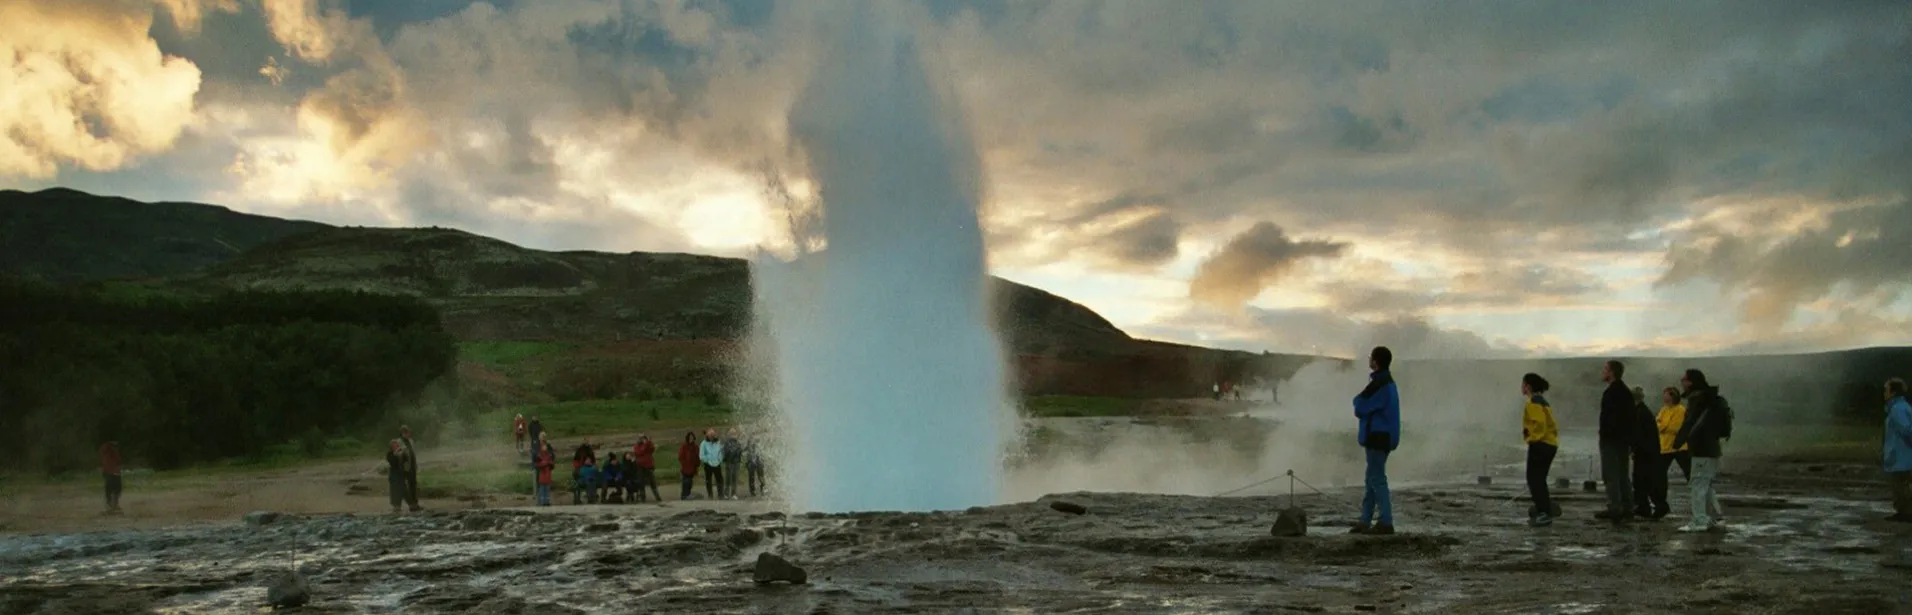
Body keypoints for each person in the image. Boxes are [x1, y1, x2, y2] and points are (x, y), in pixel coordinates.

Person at [1673, 368, 1733, 533]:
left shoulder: (1698, 400)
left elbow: (1691, 424)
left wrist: (1677, 442)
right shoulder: (1710, 399)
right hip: (1711, 449)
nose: (1681, 382)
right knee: (1705, 484)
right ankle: (1714, 517)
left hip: (1701, 449)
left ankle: (1699, 520)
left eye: (1684, 379)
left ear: (1691, 382)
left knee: (1698, 484)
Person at [1351, 346, 1400, 535]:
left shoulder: (1380, 383)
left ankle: (1385, 521)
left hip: (1377, 436)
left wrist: (1357, 402)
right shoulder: (1386, 382)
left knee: (1377, 479)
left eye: (1371, 357)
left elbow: (1360, 406)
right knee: (1371, 478)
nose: (1369, 360)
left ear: (1376, 361)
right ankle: (1365, 520)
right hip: (1383, 436)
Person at [1595, 361, 1634, 523]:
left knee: (1611, 474)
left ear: (1611, 372)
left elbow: (1610, 418)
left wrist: (1605, 435)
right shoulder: (1625, 391)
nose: (1602, 372)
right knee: (1622, 474)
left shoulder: (1612, 392)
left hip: (1612, 440)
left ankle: (1615, 507)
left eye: (1604, 369)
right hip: (1623, 440)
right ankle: (1627, 507)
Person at [1521, 373, 1560, 527]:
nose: (1521, 387)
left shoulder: (1533, 403)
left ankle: (1544, 513)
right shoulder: (1543, 401)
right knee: (1539, 479)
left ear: (1528, 386)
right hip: (1550, 443)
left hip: (1541, 444)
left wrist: (1533, 439)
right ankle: (1544, 508)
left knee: (1534, 479)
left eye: (1523, 384)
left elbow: (1540, 424)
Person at [1629, 386, 1663, 519]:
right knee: (1641, 480)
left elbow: (1638, 434)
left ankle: (1658, 506)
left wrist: (1633, 449)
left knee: (1644, 480)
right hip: (1648, 450)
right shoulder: (1642, 411)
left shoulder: (1640, 413)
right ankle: (1643, 506)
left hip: (1645, 452)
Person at [1883, 378, 1912, 522]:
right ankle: (1904, 512)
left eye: (1886, 390)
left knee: (1900, 486)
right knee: (1903, 485)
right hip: (1902, 456)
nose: (1884, 393)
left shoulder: (1897, 409)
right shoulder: (1902, 406)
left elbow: (1907, 430)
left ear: (1893, 392)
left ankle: (1905, 514)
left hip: (1901, 457)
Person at [398, 426, 422, 513]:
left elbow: (413, 454)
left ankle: (415, 504)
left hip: (412, 466)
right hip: (404, 467)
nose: (410, 434)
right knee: (404, 485)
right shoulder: (399, 442)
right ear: (403, 433)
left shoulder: (411, 441)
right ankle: (406, 504)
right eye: (408, 432)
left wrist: (415, 465)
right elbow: (398, 455)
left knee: (413, 484)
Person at [633, 434, 662, 502]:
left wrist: (649, 442)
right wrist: (646, 445)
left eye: (643, 438)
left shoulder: (648, 444)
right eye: (640, 438)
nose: (641, 439)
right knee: (641, 482)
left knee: (652, 481)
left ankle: (657, 497)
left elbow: (652, 449)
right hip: (640, 466)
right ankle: (643, 497)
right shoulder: (636, 446)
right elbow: (639, 452)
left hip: (648, 466)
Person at [385, 439, 411, 514]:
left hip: (401, 474)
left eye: (397, 445)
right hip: (394, 474)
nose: (396, 446)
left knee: (404, 489)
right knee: (395, 491)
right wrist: (395, 454)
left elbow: (406, 459)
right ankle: (397, 506)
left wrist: (403, 452)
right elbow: (392, 462)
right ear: (391, 447)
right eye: (394, 445)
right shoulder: (389, 454)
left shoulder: (401, 452)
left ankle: (411, 504)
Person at [700, 429, 726, 499]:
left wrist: (720, 460)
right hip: (708, 464)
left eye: (713, 435)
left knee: (720, 480)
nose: (711, 437)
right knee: (708, 480)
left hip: (717, 463)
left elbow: (721, 452)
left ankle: (720, 494)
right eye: (710, 435)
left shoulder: (718, 442)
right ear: (707, 435)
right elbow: (701, 455)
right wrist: (707, 460)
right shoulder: (704, 443)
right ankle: (710, 495)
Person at [99, 440, 123, 515]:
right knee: (112, 489)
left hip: (113, 472)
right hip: (109, 472)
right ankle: (111, 504)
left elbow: (118, 461)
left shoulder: (112, 451)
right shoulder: (107, 449)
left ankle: (113, 504)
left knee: (116, 489)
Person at [572, 438, 599, 505]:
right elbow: (575, 460)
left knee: (591, 481)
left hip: (589, 469)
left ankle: (592, 497)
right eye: (586, 440)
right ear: (583, 441)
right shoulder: (580, 450)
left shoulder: (590, 450)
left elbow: (593, 460)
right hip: (581, 468)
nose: (587, 442)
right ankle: (587, 498)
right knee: (585, 481)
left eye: (588, 440)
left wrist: (593, 465)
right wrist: (578, 468)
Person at [722, 429, 744, 500]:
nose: (733, 435)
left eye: (734, 433)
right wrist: (732, 452)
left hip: (736, 463)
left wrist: (738, 451)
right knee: (728, 478)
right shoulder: (727, 443)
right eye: (731, 434)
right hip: (729, 463)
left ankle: (733, 493)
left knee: (735, 478)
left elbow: (740, 452)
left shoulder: (738, 443)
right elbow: (726, 453)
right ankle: (726, 493)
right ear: (729, 435)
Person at [677, 431, 701, 500]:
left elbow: (697, 456)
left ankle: (688, 494)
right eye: (690, 438)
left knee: (690, 482)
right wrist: (684, 463)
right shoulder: (684, 446)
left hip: (693, 467)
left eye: (692, 438)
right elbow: (680, 456)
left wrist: (697, 464)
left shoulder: (696, 447)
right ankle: (684, 495)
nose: (691, 439)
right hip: (685, 468)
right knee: (685, 482)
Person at [533, 440, 556, 506]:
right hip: (542, 474)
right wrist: (544, 463)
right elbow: (537, 464)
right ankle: (542, 502)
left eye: (545, 446)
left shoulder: (549, 455)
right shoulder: (539, 455)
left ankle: (547, 502)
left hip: (548, 474)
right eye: (543, 446)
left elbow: (552, 463)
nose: (544, 447)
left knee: (547, 489)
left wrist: (549, 464)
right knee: (542, 489)